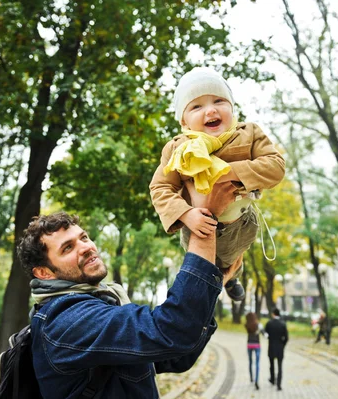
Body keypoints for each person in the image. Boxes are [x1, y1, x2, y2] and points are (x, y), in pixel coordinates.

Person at [17, 182, 240, 398]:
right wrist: (206, 221)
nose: (86, 247)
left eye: (83, 237)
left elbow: (176, 356)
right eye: (68, 248)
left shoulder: (103, 301)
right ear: (44, 273)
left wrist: (213, 286)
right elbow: (172, 330)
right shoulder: (66, 321)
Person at [149, 66, 285, 302]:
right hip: (199, 224)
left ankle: (233, 277)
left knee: (234, 257)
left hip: (241, 221)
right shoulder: (177, 149)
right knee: (206, 266)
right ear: (184, 120)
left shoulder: (248, 133)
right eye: (196, 106)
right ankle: (213, 292)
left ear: (232, 107)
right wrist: (186, 214)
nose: (210, 110)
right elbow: (160, 188)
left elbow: (275, 166)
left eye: (219, 101)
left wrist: (228, 172)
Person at [264, 308, 288, 391]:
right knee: (280, 366)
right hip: (280, 347)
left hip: (271, 346)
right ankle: (279, 384)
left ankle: (272, 379)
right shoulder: (283, 324)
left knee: (272, 365)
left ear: (273, 314)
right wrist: (282, 344)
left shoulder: (269, 323)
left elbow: (265, 334)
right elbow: (286, 338)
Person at [245, 312, 263, 390]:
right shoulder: (258, 325)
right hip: (257, 345)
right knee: (257, 363)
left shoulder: (246, 325)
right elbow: (264, 333)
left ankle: (251, 378)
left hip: (249, 344)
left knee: (250, 362)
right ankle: (256, 380)